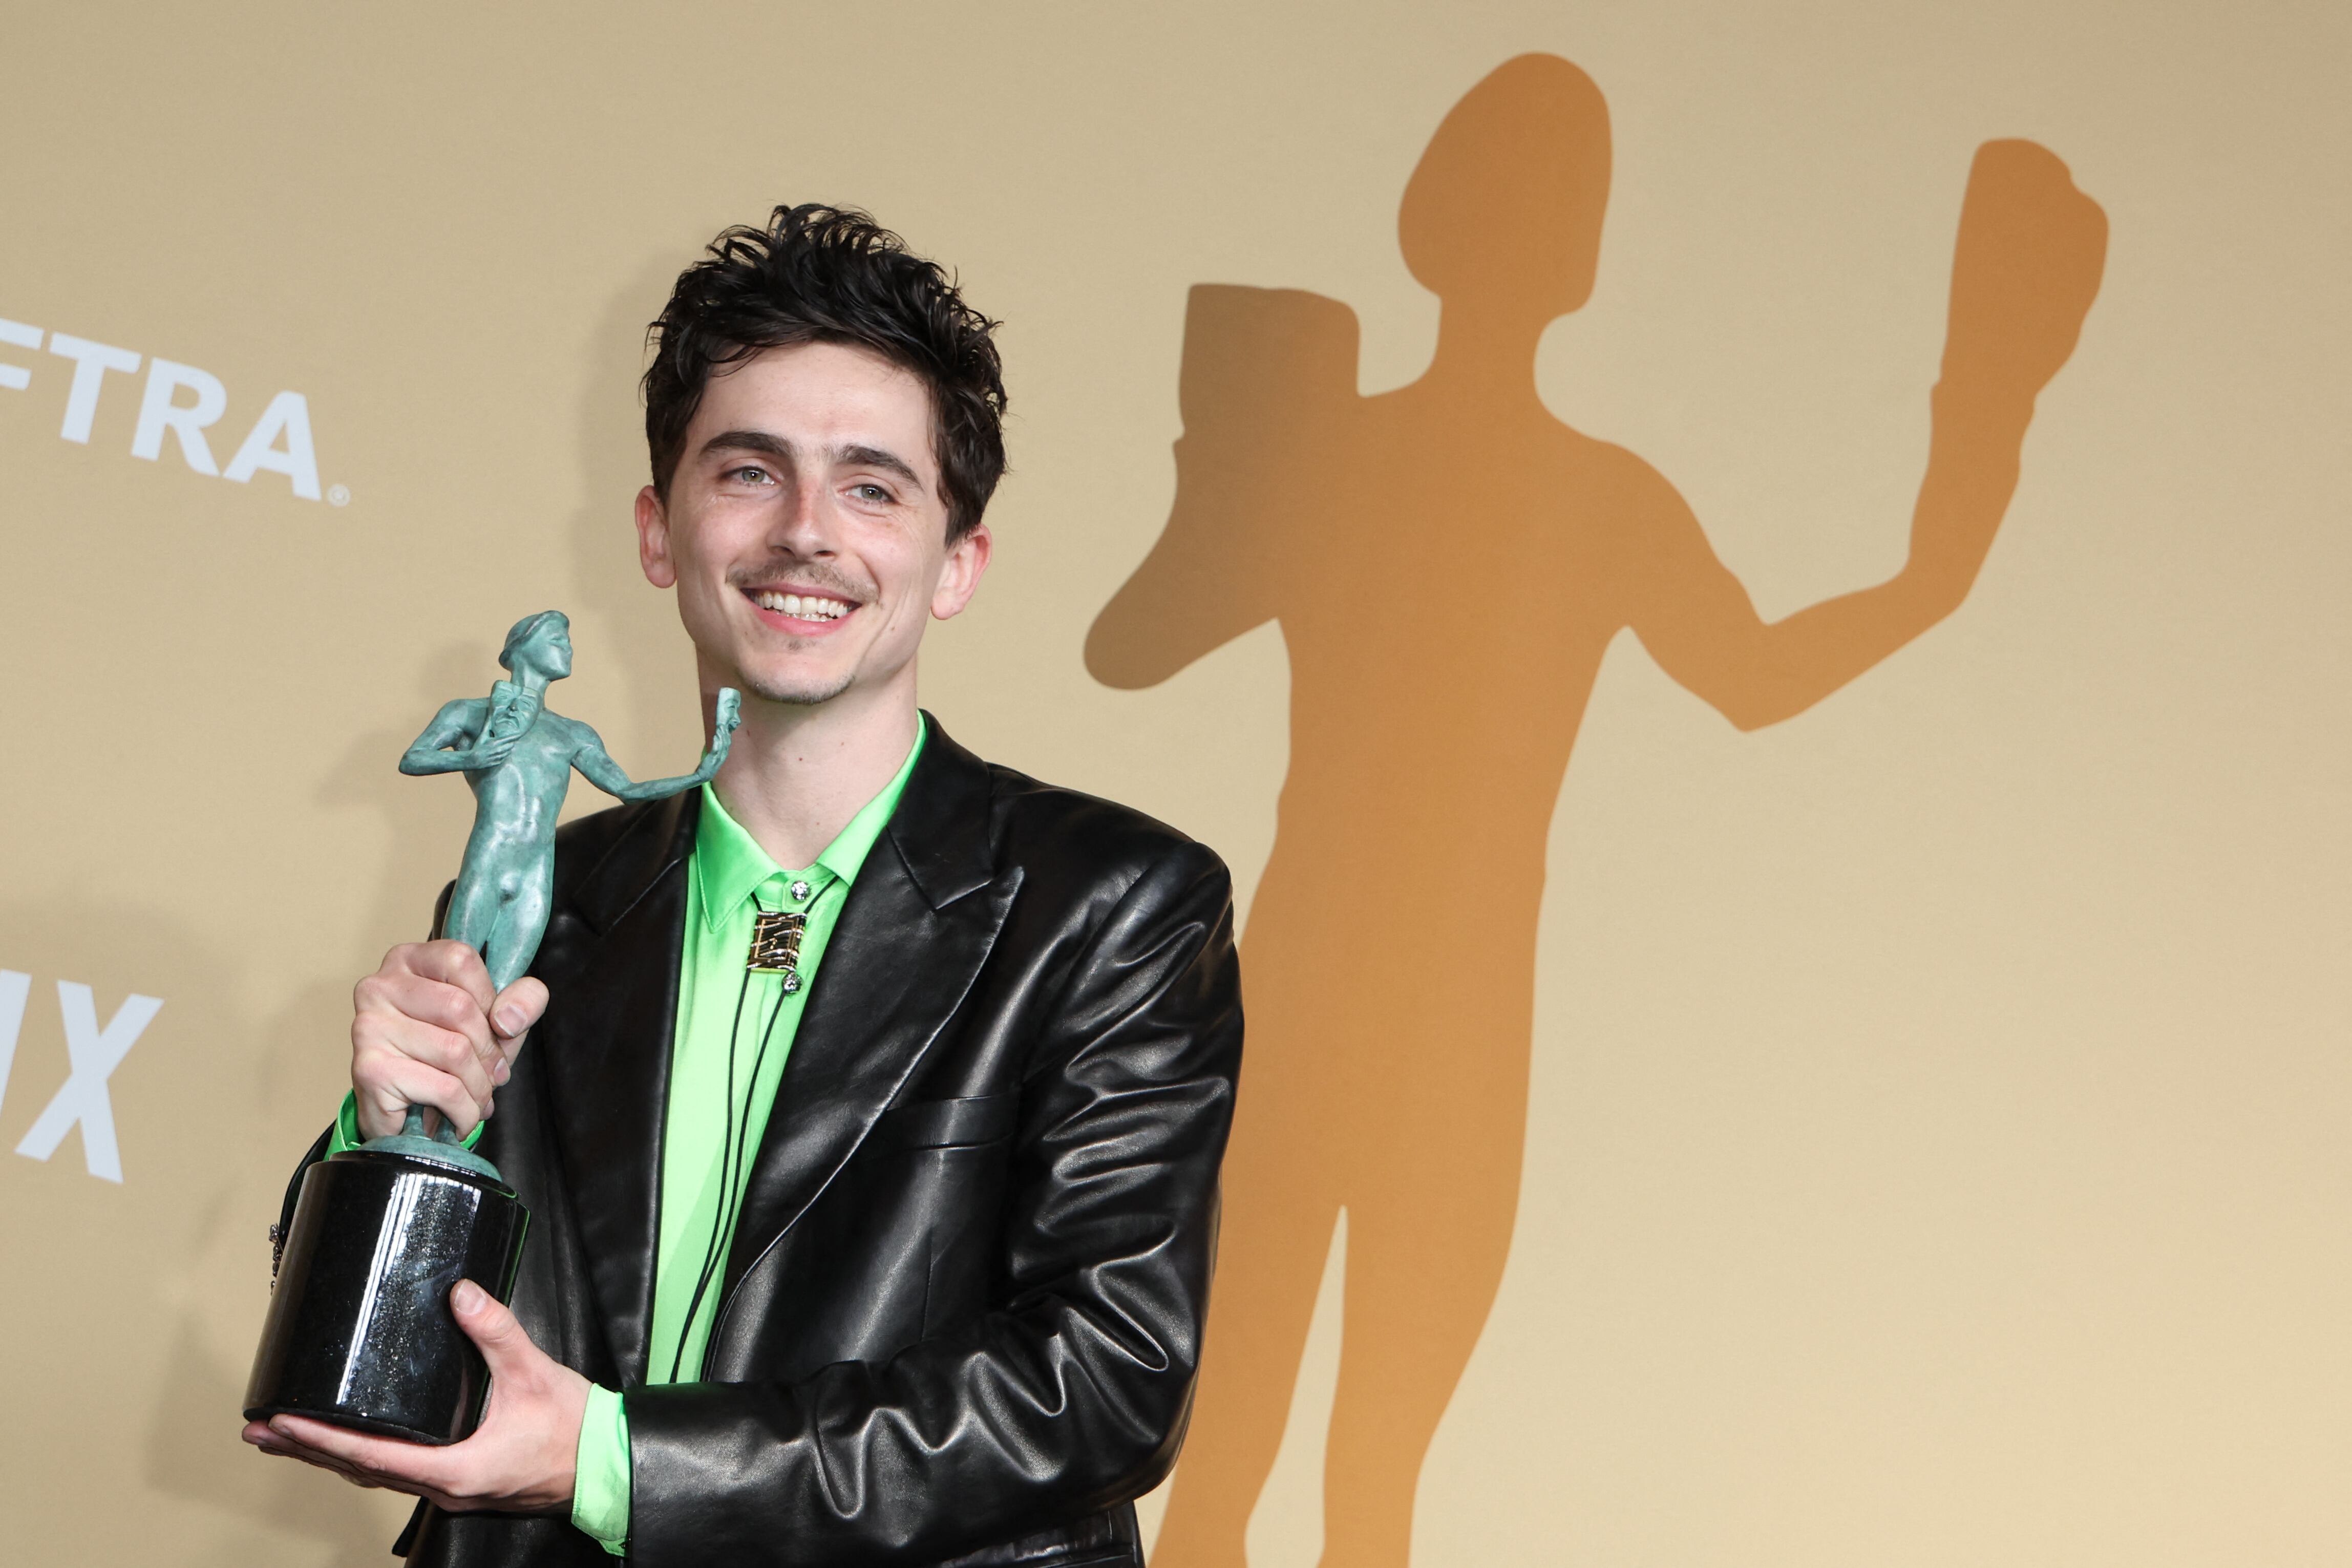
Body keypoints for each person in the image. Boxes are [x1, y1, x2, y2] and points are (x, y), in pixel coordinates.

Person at [1088, 54, 2104, 1568]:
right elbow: (1135, 644)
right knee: (1287, 1478)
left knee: (1303, 1482)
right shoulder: (1515, 477)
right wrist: (1948, 524)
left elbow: (1133, 641)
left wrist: (1968, 474)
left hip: (1387, 1019)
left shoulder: (1465, 469)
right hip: (1376, 1023)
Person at [244, 204, 1244, 1568]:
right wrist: (393, 1132)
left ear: (957, 564)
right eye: (749, 472)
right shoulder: (551, 891)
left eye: (872, 485)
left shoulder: (1112, 905)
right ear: (661, 533)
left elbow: (1104, 1381)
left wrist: (609, 1462)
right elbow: (381, 1377)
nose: (806, 534)